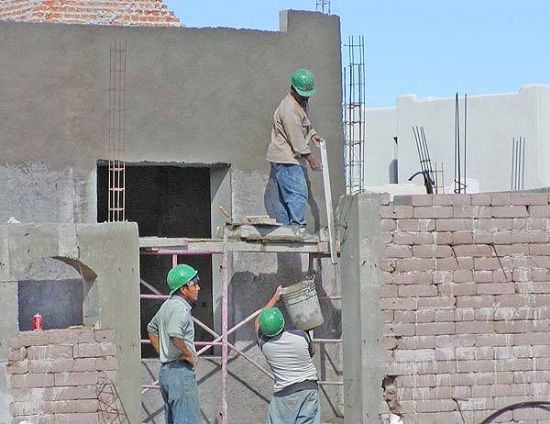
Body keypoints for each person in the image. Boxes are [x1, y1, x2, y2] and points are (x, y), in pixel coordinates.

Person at [266, 68, 324, 234]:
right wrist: (310, 158)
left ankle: (289, 230)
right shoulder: (290, 109)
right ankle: (297, 229)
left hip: (283, 157)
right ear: (293, 89)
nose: (306, 98)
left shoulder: (298, 104)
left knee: (287, 197)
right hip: (286, 158)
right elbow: (296, 139)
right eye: (303, 95)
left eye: (307, 95)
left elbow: (304, 122)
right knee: (298, 193)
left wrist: (312, 133)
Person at [255, 286, 320, 424]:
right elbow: (312, 352)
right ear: (282, 323)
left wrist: (275, 298)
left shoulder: (265, 345)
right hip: (309, 388)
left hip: (285, 394)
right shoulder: (301, 336)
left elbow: (257, 322)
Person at [147, 263, 201, 424]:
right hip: (180, 372)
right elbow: (175, 333)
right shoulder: (180, 308)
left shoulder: (167, 305)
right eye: (194, 284)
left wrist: (162, 351)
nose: (198, 288)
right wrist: (187, 354)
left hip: (166, 373)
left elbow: (151, 328)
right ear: (183, 289)